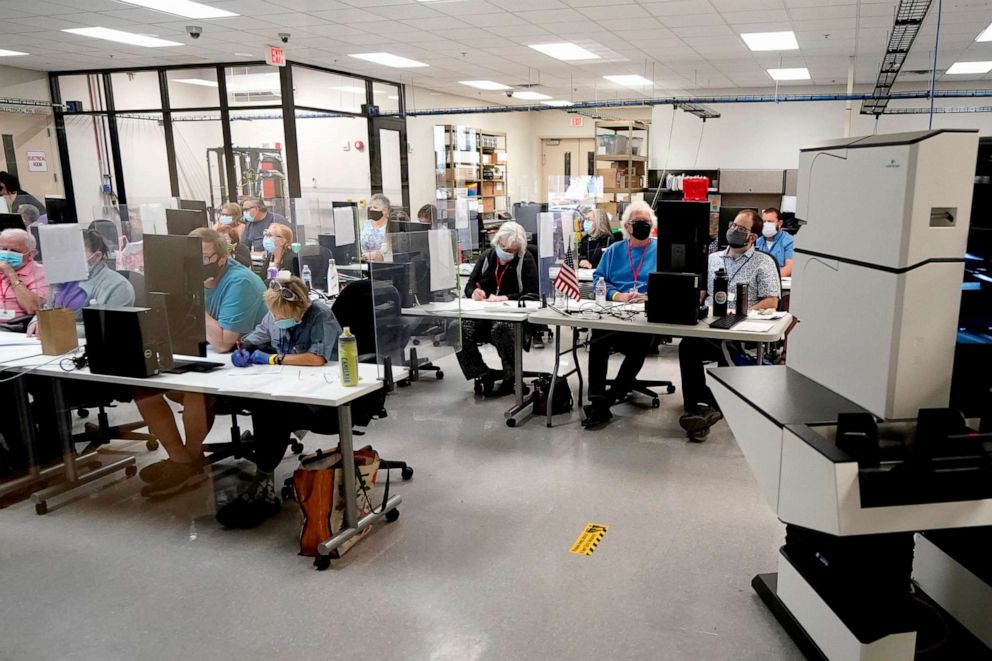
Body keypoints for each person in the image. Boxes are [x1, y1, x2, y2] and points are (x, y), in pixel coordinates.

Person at [135, 228, 267, 497]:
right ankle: (180, 458)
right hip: (201, 354)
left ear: (221, 258)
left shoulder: (239, 282)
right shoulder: (184, 276)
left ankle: (189, 460)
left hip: (247, 362)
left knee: (195, 388)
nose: (196, 266)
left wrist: (193, 300)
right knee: (143, 388)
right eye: (190, 261)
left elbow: (223, 342)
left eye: (203, 259)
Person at [219, 275, 346, 528]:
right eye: (274, 314)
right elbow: (255, 338)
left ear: (300, 308)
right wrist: (242, 350)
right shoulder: (274, 315)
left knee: (271, 409)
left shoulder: (319, 316)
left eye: (282, 315)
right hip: (289, 386)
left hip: (324, 397)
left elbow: (315, 358)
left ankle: (263, 482)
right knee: (265, 404)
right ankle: (264, 476)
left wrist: (271, 360)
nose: (277, 320)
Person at [678, 209, 781, 442]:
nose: (733, 230)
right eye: (733, 225)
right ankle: (696, 407)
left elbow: (772, 301)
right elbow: (702, 293)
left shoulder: (763, 262)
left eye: (741, 229)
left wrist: (743, 311)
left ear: (752, 237)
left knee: (727, 354)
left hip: (742, 331)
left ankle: (707, 408)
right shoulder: (713, 259)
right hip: (711, 326)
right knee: (688, 346)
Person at [582, 201, 658, 429]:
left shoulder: (662, 250)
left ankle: (607, 399)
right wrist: (618, 296)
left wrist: (649, 297)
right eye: (637, 223)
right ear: (626, 226)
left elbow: (671, 282)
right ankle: (596, 398)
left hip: (645, 315)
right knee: (597, 343)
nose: (643, 226)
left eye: (647, 222)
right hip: (615, 311)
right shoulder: (614, 251)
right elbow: (598, 281)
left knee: (639, 346)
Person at [456, 221, 538, 397]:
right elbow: (469, 286)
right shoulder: (487, 256)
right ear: (497, 242)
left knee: (501, 328)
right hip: (484, 313)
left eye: (511, 251)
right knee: (457, 329)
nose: (505, 253)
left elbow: (533, 294)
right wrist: (474, 292)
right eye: (503, 247)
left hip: (511, 317)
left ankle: (512, 377)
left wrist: (506, 297)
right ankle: (483, 373)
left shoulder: (526, 259)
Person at [26, 228, 133, 337]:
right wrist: (37, 321)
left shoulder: (118, 286)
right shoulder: (60, 279)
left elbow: (109, 329)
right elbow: (47, 308)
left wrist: (58, 329)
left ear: (97, 256)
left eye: (74, 252)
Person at [0, 228, 47, 319]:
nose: (7, 254)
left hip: (14, 326)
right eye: (4, 249)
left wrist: (12, 275)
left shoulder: (41, 273)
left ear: (31, 254)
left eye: (14, 251)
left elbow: (32, 308)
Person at [756, 207, 794, 277]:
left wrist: (770, 278)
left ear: (780, 223)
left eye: (770, 221)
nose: (766, 224)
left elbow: (790, 268)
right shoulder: (758, 242)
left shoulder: (789, 241)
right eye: (764, 221)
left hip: (781, 283)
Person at [360, 193, 391, 262]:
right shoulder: (366, 224)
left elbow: (390, 249)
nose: (371, 210)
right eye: (371, 207)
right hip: (364, 262)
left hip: (384, 264)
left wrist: (378, 255)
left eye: (375, 208)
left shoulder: (390, 225)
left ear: (385, 210)